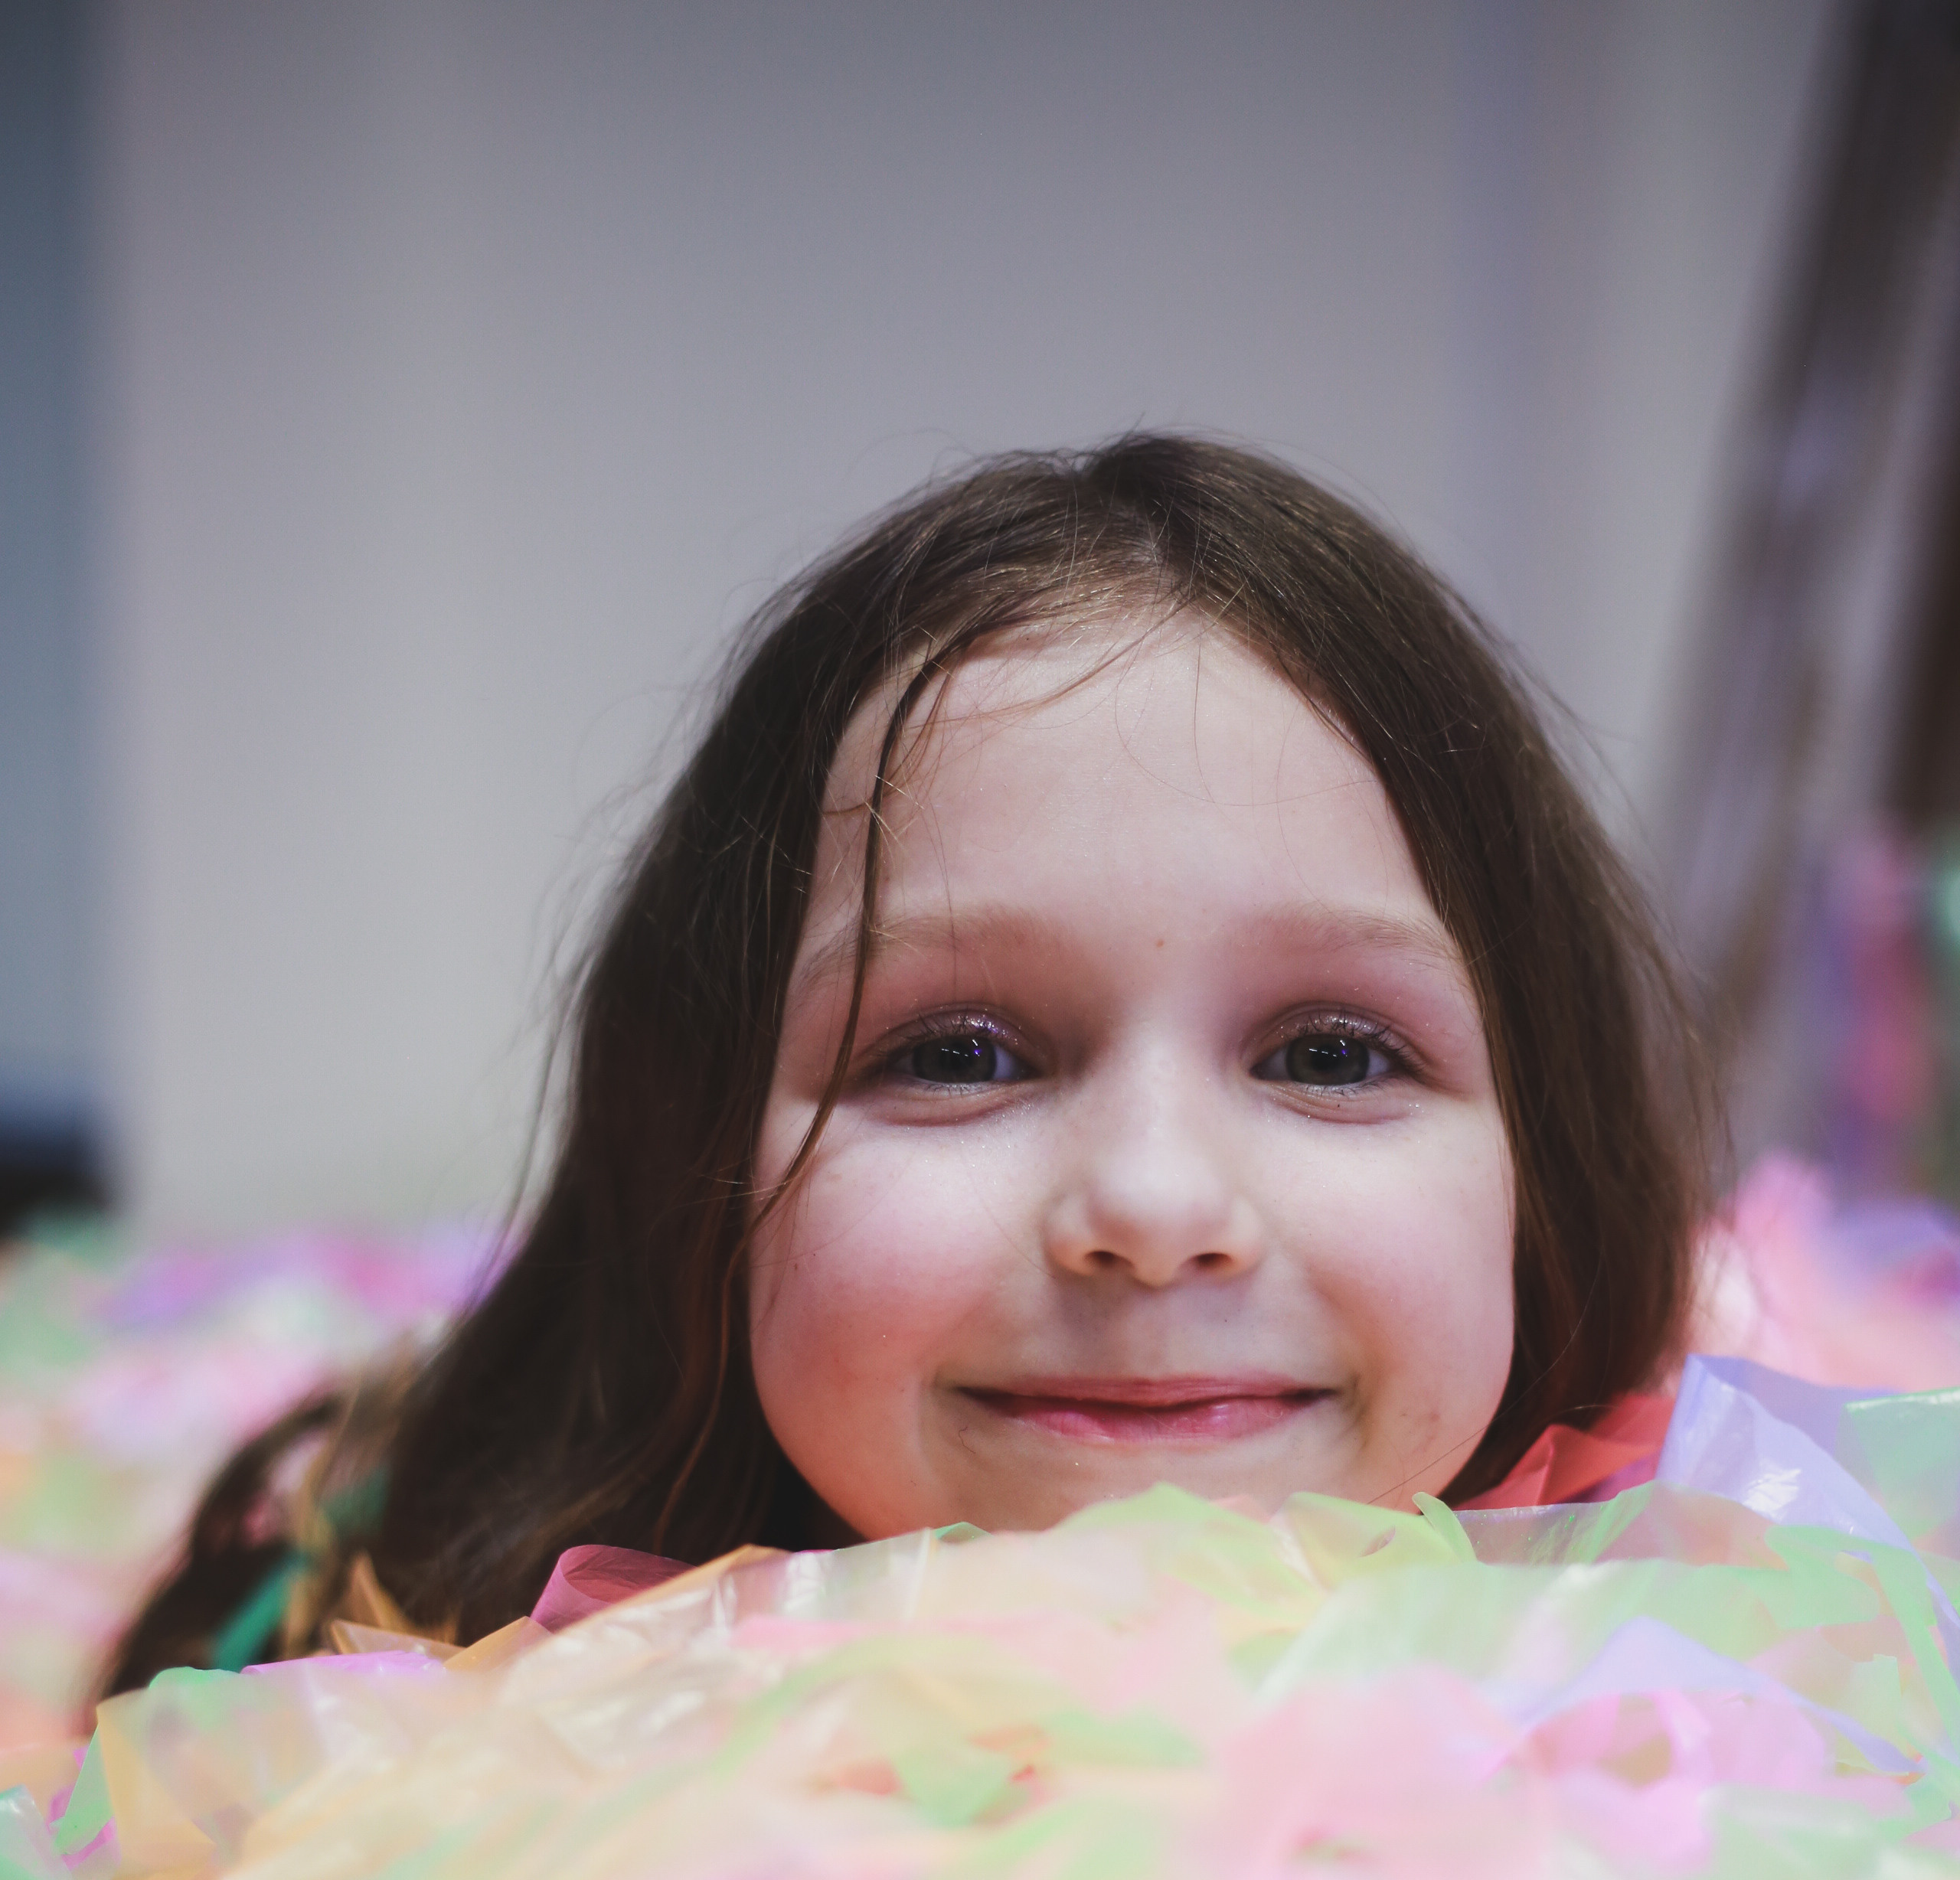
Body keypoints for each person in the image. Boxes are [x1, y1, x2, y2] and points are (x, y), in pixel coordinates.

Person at [105, 436, 1706, 1692]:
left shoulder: (1744, 1729)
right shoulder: (387, 1754)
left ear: (1538, 1168)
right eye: (957, 1054)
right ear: (704, 1171)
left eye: (1330, 1053)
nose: (1150, 1206)